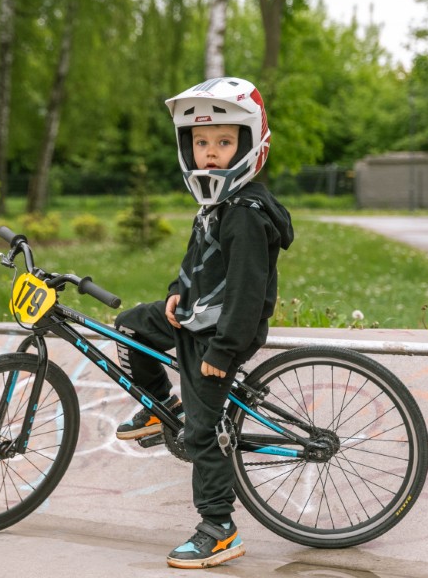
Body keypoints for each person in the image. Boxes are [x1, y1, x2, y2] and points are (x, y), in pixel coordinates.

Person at [113, 77, 295, 569]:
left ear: (250, 144)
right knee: (129, 326)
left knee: (201, 432)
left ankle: (219, 529)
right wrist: (177, 289)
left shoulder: (245, 214)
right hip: (195, 315)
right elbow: (198, 260)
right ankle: (161, 404)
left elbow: (247, 292)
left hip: (221, 333)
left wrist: (224, 350)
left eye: (223, 141)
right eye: (200, 142)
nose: (210, 152)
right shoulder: (215, 204)